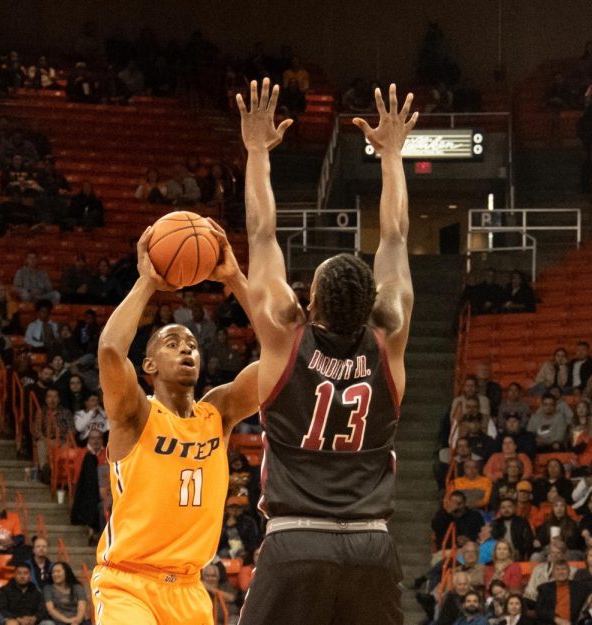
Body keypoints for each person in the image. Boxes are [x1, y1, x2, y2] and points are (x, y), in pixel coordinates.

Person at [233, 80, 417, 625]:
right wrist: (391, 158)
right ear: (371, 304)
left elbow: (262, 233)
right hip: (372, 549)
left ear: (308, 301)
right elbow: (396, 238)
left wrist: (257, 152)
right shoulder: (392, 334)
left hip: (296, 544)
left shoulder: (284, 336)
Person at [89, 222, 260, 619]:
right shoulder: (136, 413)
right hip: (126, 585)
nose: (186, 349)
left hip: (189, 589)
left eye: (192, 345)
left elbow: (284, 359)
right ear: (149, 364)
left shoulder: (218, 412)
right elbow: (111, 351)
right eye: (172, 343)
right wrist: (147, 282)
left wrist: (235, 277)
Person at [536, 560, 588, 625]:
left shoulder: (580, 588)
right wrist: (556, 619)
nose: (560, 572)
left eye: (564, 569)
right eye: (557, 569)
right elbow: (539, 610)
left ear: (569, 572)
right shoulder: (544, 589)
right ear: (553, 573)